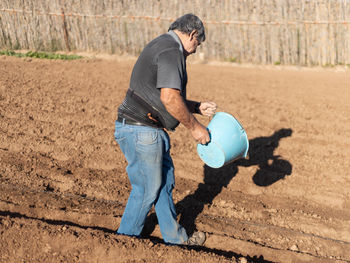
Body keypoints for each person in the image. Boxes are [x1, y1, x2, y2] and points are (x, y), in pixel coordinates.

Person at [114, 13, 217, 246]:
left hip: (146, 129)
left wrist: (197, 107)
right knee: (147, 188)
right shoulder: (172, 50)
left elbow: (163, 97)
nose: (194, 50)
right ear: (192, 34)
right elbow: (169, 98)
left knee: (163, 185)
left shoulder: (163, 43)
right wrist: (195, 128)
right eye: (196, 44)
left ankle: (175, 239)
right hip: (141, 130)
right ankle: (123, 242)